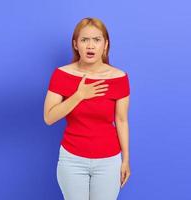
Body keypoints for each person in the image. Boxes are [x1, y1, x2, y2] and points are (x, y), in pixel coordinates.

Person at [44, 17, 131, 200]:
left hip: (108, 161)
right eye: (84, 40)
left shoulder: (119, 78)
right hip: (72, 160)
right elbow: (49, 117)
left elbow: (121, 120)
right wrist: (79, 95)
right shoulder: (62, 75)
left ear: (105, 44)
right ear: (76, 44)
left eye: (96, 40)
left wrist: (126, 160)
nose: (90, 46)